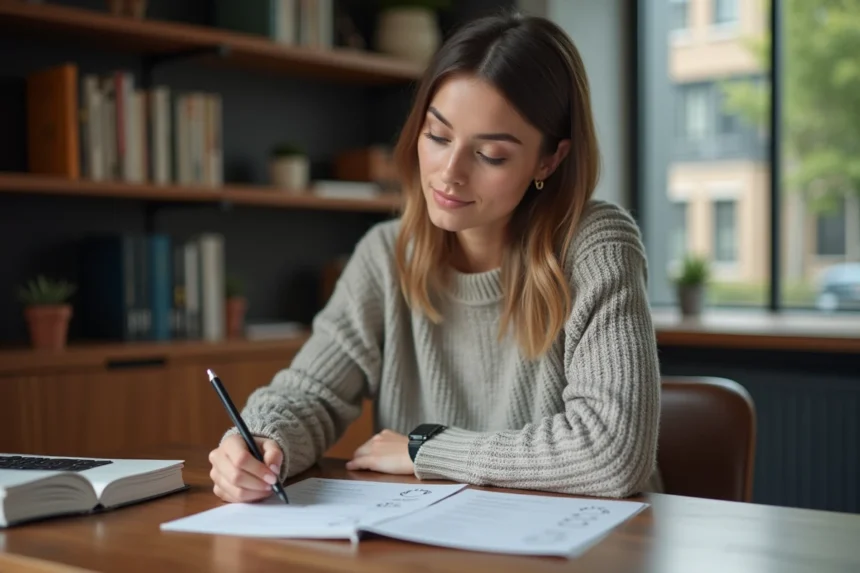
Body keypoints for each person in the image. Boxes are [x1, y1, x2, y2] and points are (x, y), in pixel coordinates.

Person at [208, 10, 662, 503]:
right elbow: (309, 393)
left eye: (490, 154)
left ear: (549, 159)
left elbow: (612, 454)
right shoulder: (387, 253)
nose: (449, 173)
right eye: (438, 136)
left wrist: (427, 449)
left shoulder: (595, 245)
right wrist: (259, 441)